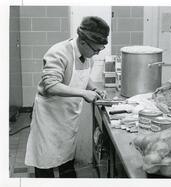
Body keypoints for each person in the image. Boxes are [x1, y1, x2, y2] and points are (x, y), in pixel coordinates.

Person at [25, 16, 110, 178]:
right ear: (83, 42)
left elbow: (84, 78)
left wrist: (94, 88)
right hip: (49, 118)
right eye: (96, 49)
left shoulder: (87, 55)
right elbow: (51, 85)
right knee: (45, 162)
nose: (97, 53)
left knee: (66, 160)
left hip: (68, 117)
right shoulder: (59, 53)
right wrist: (84, 93)